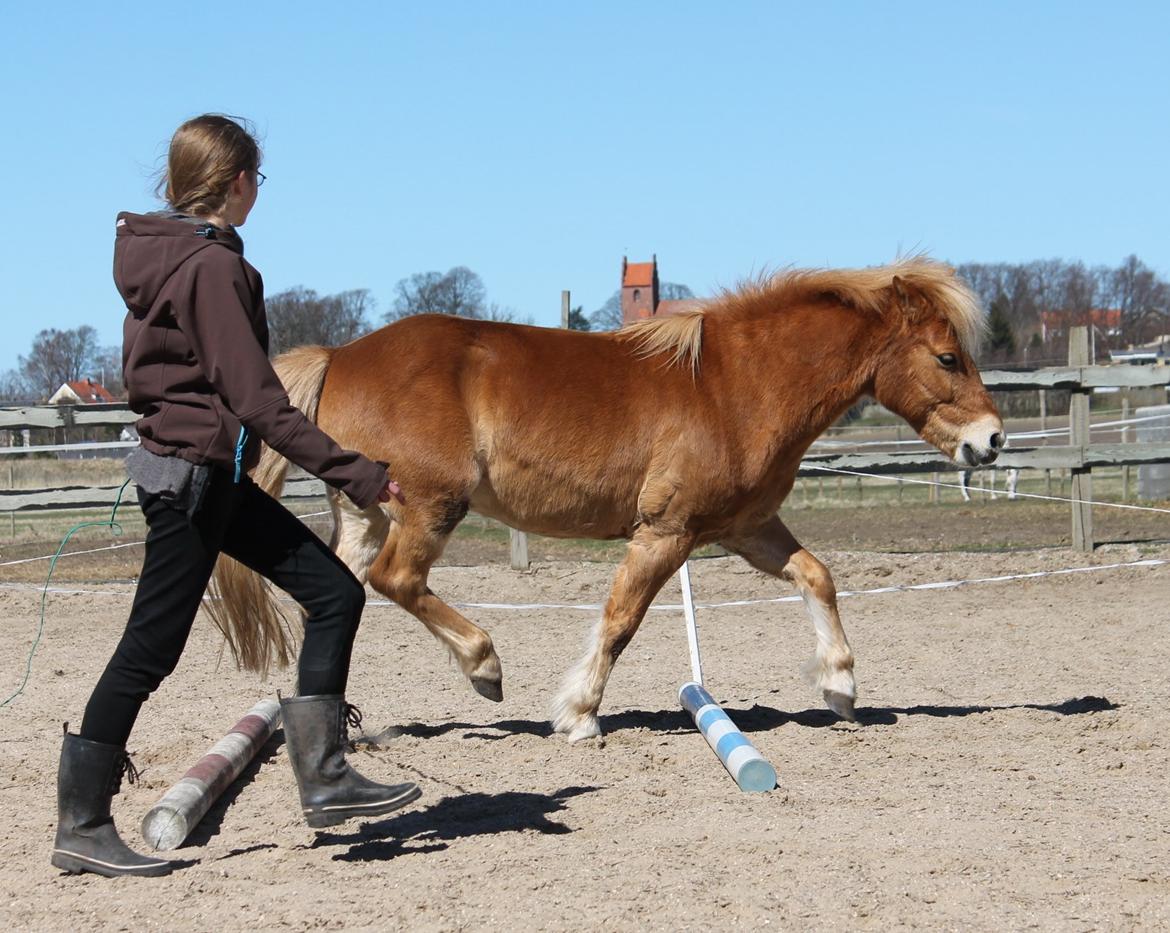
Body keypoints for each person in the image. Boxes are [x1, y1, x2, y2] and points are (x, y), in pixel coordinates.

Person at [52, 114, 420, 878]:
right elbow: (259, 400)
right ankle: (82, 822)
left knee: (332, 593)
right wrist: (357, 471)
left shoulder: (173, 257)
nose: (259, 192)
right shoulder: (210, 267)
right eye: (258, 178)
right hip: (190, 483)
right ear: (235, 181)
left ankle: (323, 775)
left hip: (210, 477)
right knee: (148, 650)